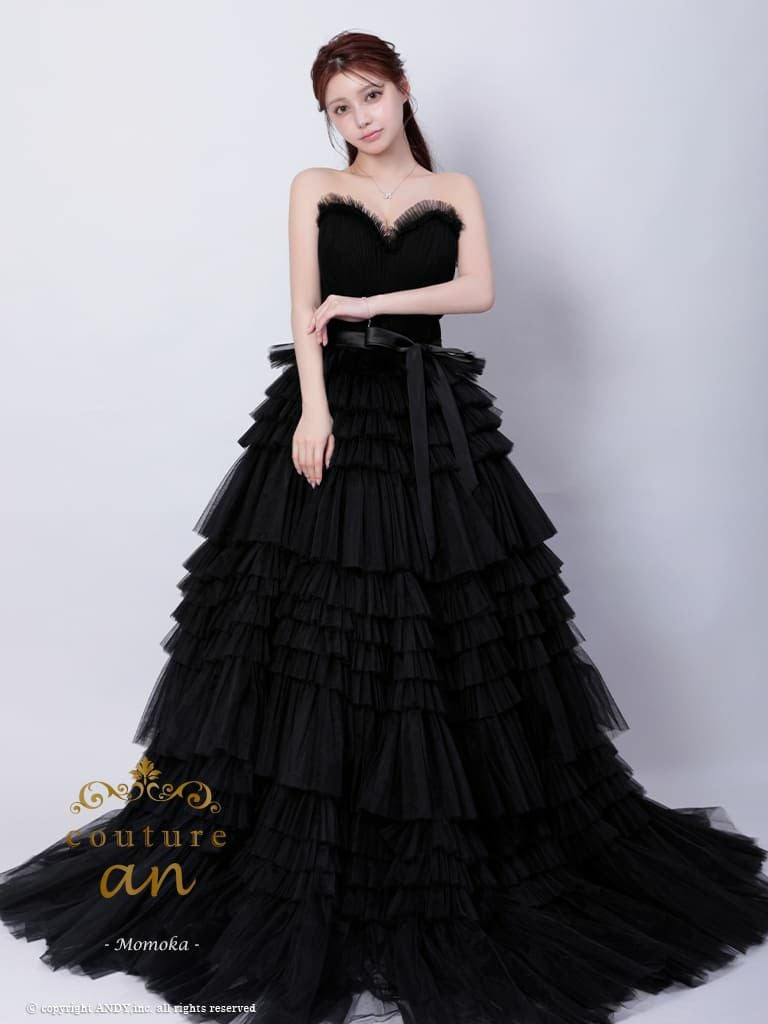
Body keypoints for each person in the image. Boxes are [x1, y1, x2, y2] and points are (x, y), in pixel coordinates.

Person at [1, 27, 767, 1024]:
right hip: (337, 413)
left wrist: (371, 299)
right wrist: (312, 411)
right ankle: (317, 828)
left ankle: (446, 830)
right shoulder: (314, 189)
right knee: (322, 628)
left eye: (370, 95)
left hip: (430, 418)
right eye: (340, 107)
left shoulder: (455, 190)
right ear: (327, 119)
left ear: (402, 89)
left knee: (447, 624)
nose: (359, 118)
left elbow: (478, 291)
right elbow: (302, 306)